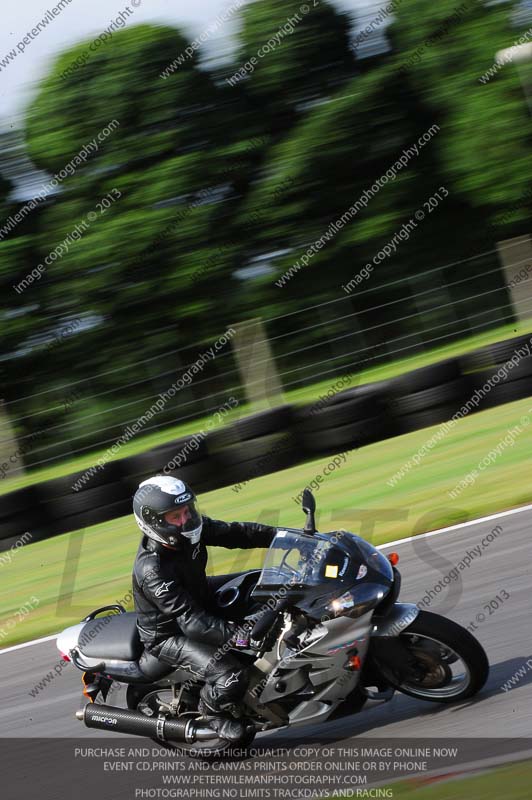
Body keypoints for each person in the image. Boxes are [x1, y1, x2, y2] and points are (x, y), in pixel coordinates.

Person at [132, 475, 277, 742]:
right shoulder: (152, 570)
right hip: (169, 635)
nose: (186, 519)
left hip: (200, 598)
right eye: (175, 516)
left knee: (265, 581)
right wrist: (241, 635)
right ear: (155, 522)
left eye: (187, 510)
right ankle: (213, 713)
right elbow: (192, 623)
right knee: (231, 673)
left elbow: (238, 533)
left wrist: (284, 537)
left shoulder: (189, 533)